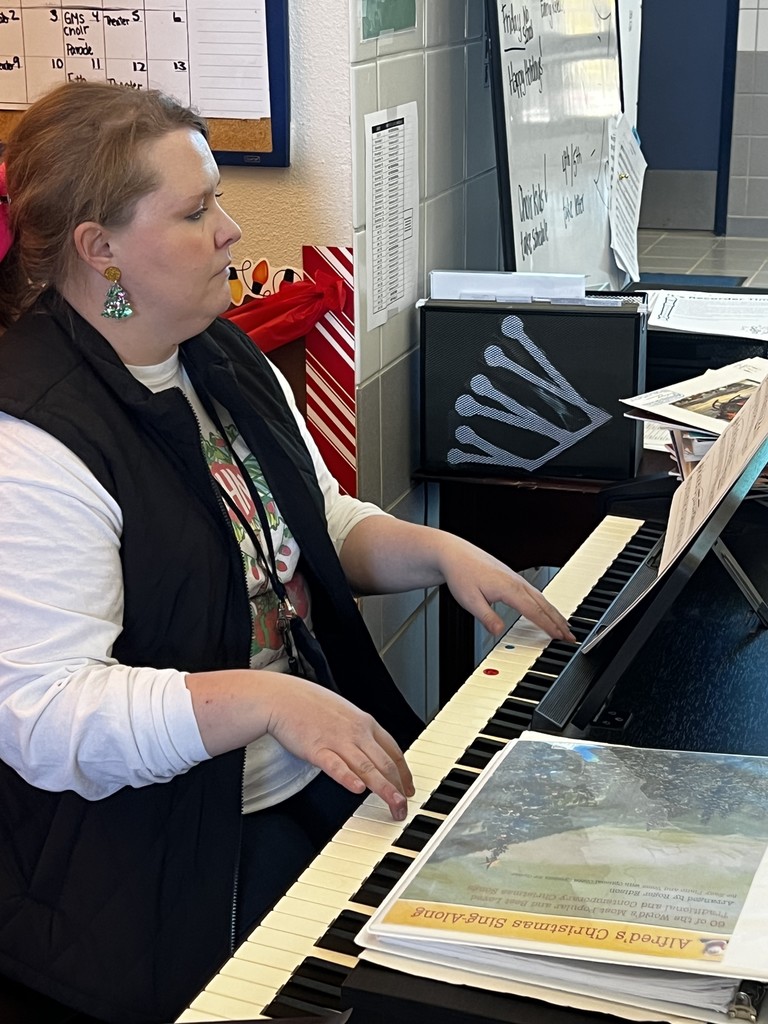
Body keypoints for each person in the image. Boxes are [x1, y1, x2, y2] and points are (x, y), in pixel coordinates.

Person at [0, 81, 574, 1024]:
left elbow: (309, 523)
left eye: (220, 198)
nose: (231, 230)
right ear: (101, 249)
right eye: (195, 211)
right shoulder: (34, 443)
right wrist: (267, 697)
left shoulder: (221, 355)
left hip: (303, 793)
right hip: (167, 868)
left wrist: (436, 550)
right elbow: (48, 715)